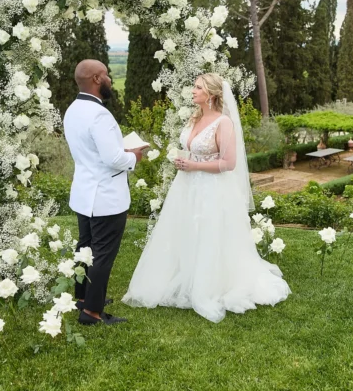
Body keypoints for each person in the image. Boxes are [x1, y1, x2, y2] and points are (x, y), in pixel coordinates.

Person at [122, 73, 290, 323]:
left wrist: (195, 165)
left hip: (213, 189)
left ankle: (210, 284)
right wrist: (184, 161)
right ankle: (183, 276)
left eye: (198, 87)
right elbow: (192, 150)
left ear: (211, 94)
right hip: (186, 186)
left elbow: (229, 163)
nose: (193, 91)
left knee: (209, 233)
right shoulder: (195, 117)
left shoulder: (223, 123)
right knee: (185, 230)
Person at [64, 59, 143, 325]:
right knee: (102, 254)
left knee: (85, 247)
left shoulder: (73, 109)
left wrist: (120, 151)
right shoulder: (99, 115)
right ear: (97, 79)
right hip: (106, 197)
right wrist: (133, 157)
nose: (109, 79)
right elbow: (112, 159)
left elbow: (92, 150)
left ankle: (83, 297)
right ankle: (92, 312)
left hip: (84, 192)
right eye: (106, 75)